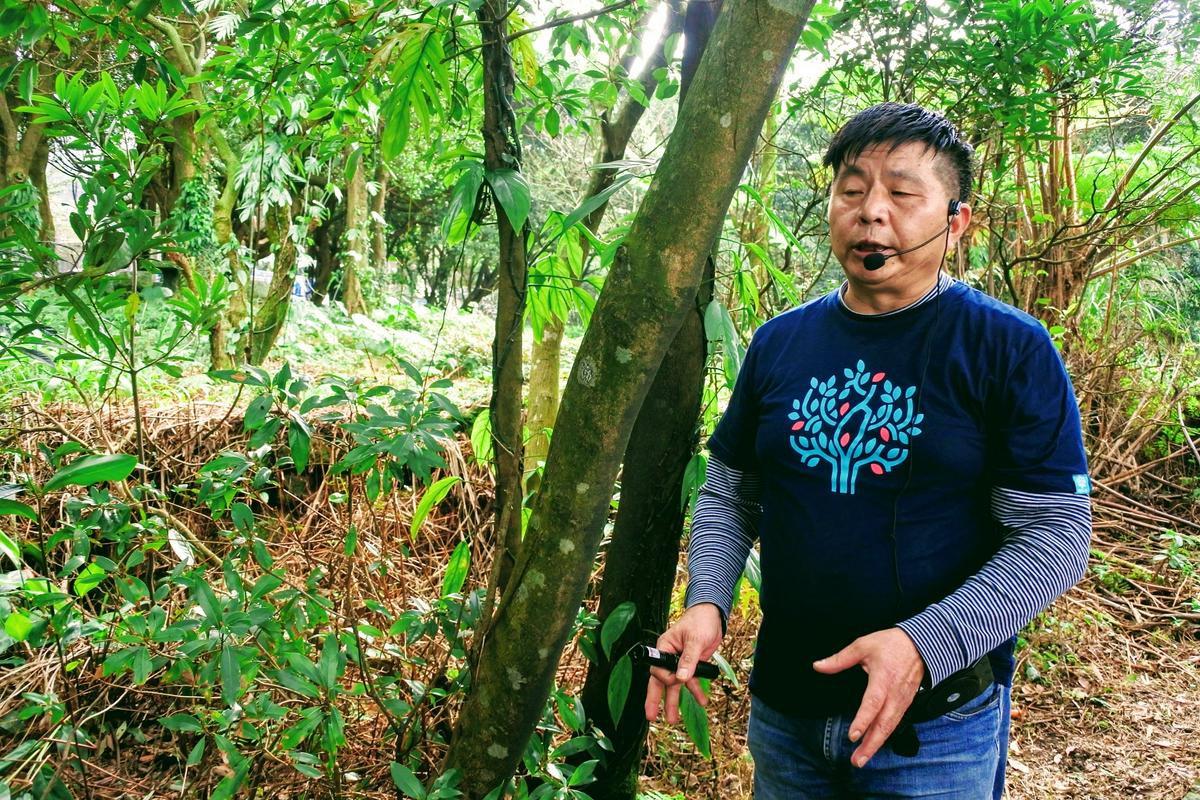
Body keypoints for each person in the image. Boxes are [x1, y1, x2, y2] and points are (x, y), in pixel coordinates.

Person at [644, 103, 1093, 798]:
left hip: (934, 733)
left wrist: (924, 643)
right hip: (788, 716)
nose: (871, 212)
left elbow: (1055, 535)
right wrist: (709, 601)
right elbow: (732, 490)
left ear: (957, 222)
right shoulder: (782, 344)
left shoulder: (1007, 348)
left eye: (902, 193)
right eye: (851, 190)